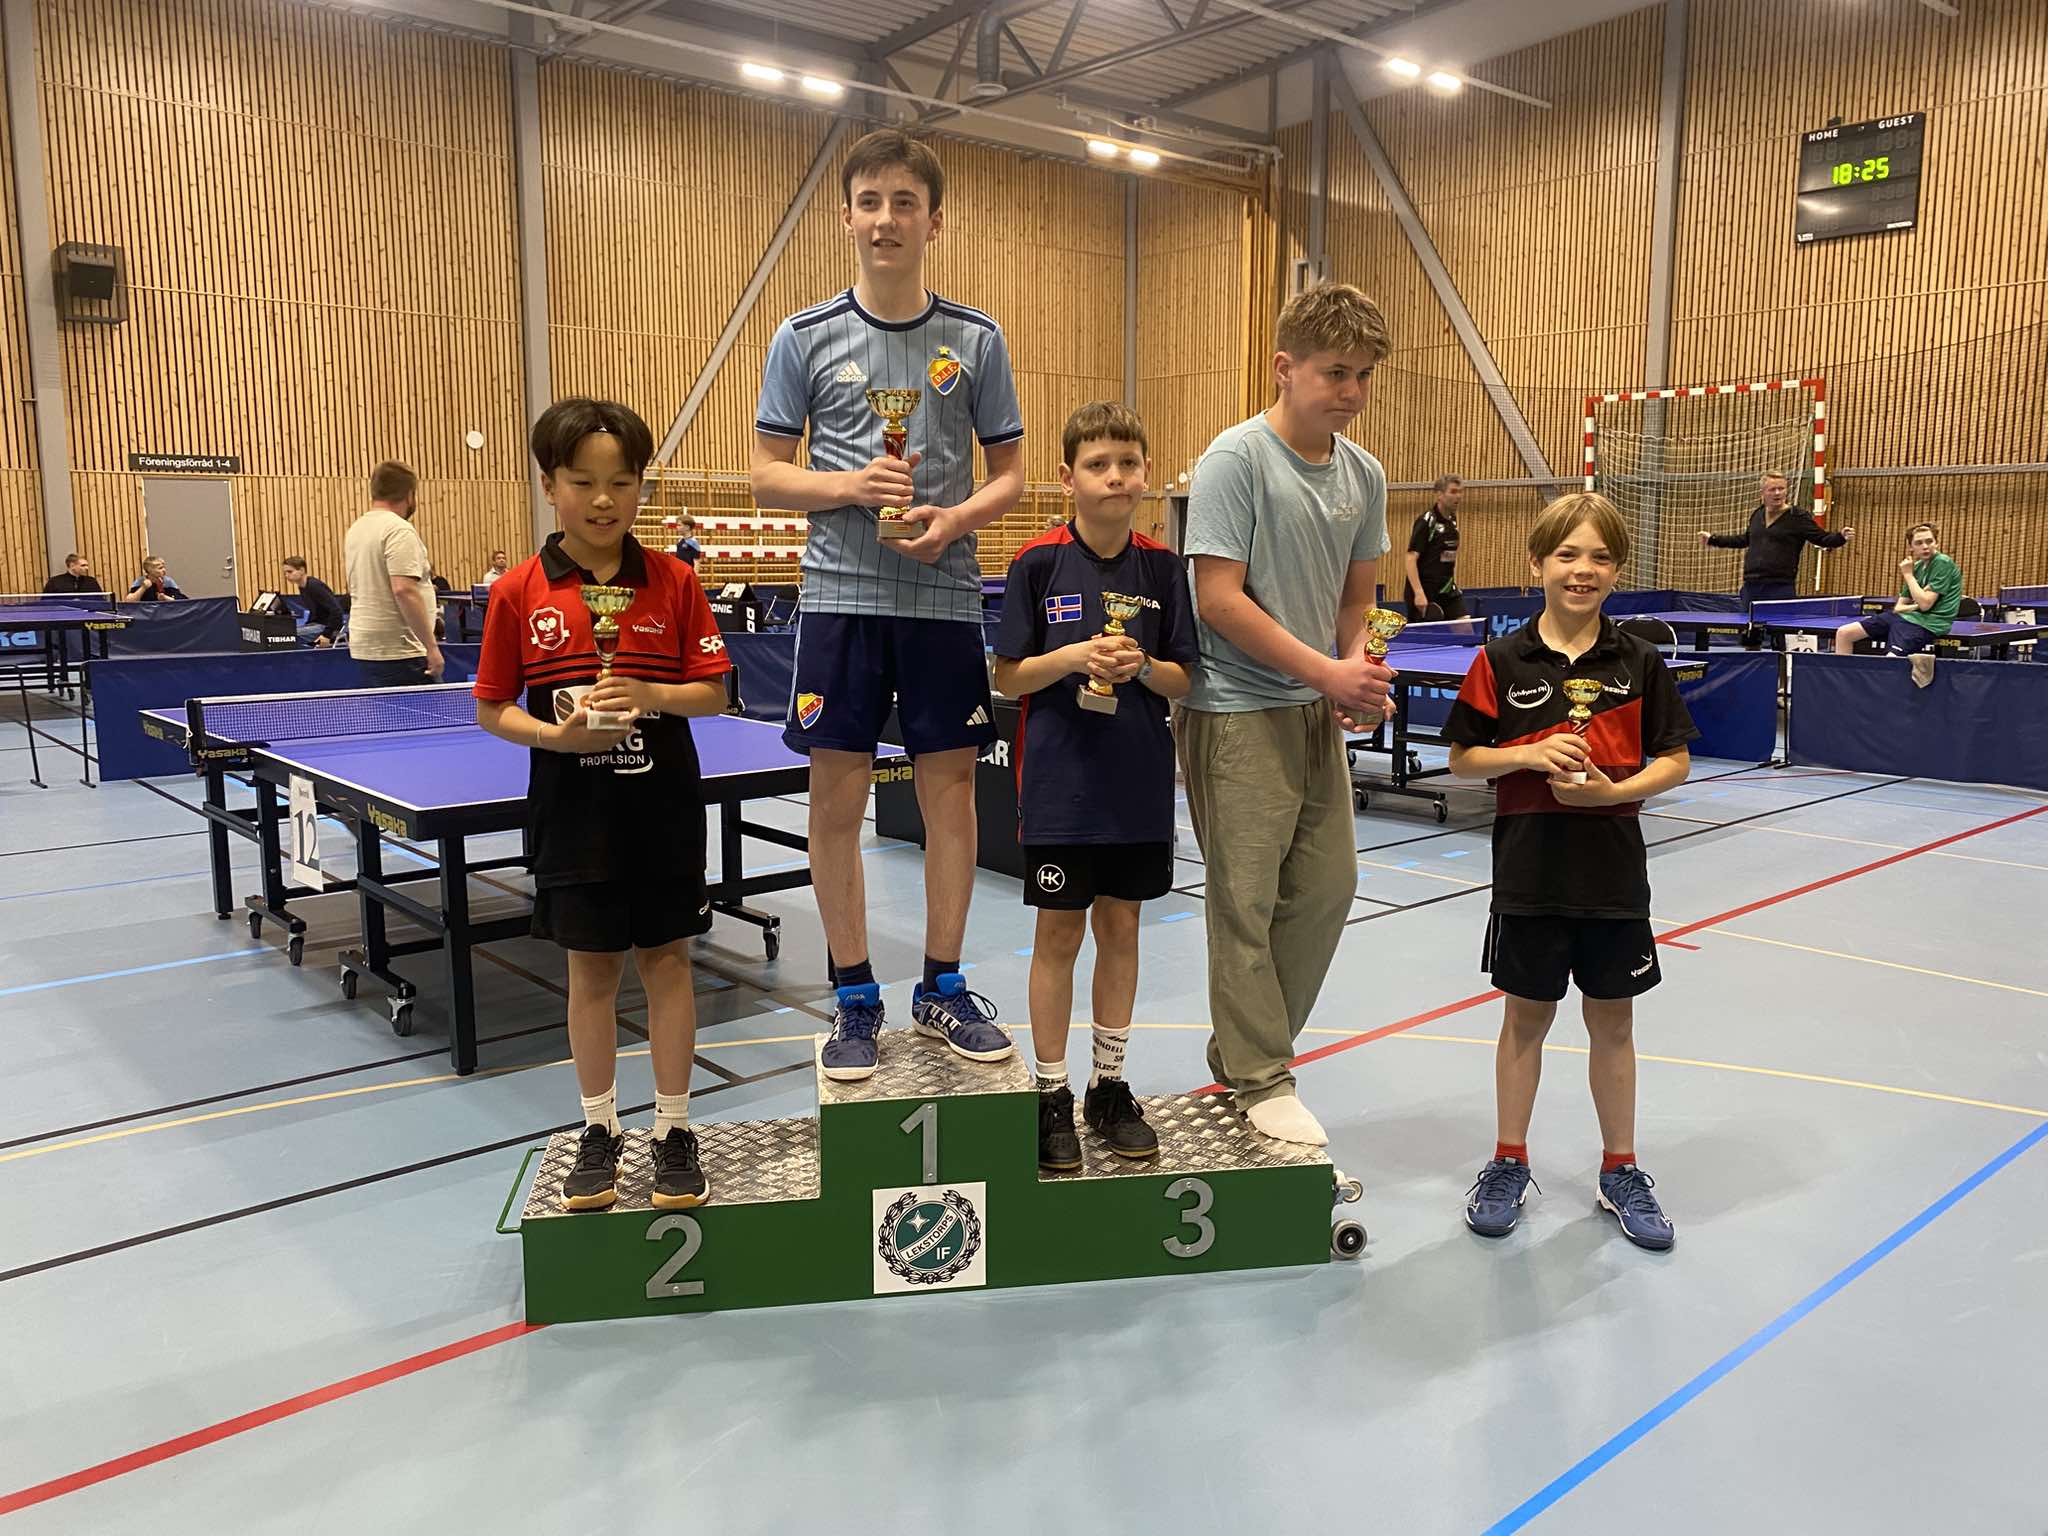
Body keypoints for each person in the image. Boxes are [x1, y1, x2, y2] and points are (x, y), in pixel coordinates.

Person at [750, 127, 1026, 1081]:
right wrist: (849, 487)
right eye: (870, 201)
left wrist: (953, 522)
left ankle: (943, 986)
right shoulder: (802, 337)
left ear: (933, 221)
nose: (886, 219)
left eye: (905, 203)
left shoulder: (977, 340)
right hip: (841, 600)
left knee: (951, 798)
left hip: (944, 600)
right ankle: (855, 996)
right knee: (838, 801)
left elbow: (1012, 475)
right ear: (846, 216)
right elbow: (765, 475)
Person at [474, 397, 732, 1212]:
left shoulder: (675, 581)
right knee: (590, 973)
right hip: (572, 815)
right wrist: (555, 739)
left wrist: (650, 691)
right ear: (549, 485)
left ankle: (674, 1129)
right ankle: (598, 1129)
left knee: (669, 964)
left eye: (621, 482)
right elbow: (492, 707)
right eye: (582, 481)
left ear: (641, 487)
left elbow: (715, 693)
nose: (602, 499)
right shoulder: (518, 591)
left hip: (663, 812)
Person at [1443, 491, 1697, 1252]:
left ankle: (1620, 1169)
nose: (1582, 569)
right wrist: (1527, 752)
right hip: (1528, 871)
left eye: (1599, 557)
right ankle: (1508, 1161)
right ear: (1537, 564)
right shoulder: (1500, 660)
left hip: (1613, 873)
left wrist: (1615, 793)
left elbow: (1676, 760)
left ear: (1616, 572)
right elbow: (1461, 760)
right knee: (1525, 1018)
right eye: (1567, 554)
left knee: (1613, 1022)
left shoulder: (1639, 661)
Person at [1176, 281, 1395, 1147]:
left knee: (1330, 887)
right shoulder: (1235, 460)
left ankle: (1241, 1052)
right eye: (1336, 372)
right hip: (1236, 711)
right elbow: (1218, 600)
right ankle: (1262, 1074)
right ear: (1284, 367)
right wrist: (1325, 673)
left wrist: (1359, 670)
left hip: (1315, 707)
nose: (1352, 391)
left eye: (1364, 376)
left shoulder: (1364, 474)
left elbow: (1359, 601)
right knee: (1244, 902)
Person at [991, 401, 1197, 1171]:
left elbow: (1183, 677)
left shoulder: (1163, 568)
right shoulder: (1037, 563)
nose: (1116, 477)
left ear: (1146, 473)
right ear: (1067, 477)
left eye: (1128, 463)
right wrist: (1075, 657)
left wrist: (1141, 665)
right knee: (1059, 936)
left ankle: (1108, 1087)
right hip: (1060, 787)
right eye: (1098, 464)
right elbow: (1009, 676)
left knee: (1122, 930)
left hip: (1137, 786)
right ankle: (1051, 1095)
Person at [342, 462, 442, 687]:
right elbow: (404, 590)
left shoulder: (357, 529)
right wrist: (431, 646)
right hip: (402, 650)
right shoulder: (399, 529)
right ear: (410, 495)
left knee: (386, 709)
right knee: (425, 710)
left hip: (366, 646)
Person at [1697, 472, 1853, 604]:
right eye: (1772, 489)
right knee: (1748, 630)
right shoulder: (1758, 514)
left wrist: (1841, 536)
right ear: (1763, 493)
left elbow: (1821, 538)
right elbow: (1745, 539)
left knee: (1778, 630)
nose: (1777, 493)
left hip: (1780, 588)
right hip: (1751, 587)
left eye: (1781, 489)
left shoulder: (1798, 517)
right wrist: (1713, 539)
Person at [1831, 522, 1960, 657]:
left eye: (1929, 541)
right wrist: (1916, 605)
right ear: (1911, 547)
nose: (1925, 546)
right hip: (1904, 617)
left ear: (1936, 543)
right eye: (1919, 543)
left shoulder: (1942, 562)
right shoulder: (1916, 566)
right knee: (1844, 633)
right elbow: (1899, 607)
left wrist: (1908, 575)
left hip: (1929, 623)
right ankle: (1841, 672)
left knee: (1891, 658)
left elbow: (1925, 605)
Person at [1405, 474, 1466, 620]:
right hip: (1425, 591)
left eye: (1460, 492)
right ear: (1439, 494)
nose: (1458, 496)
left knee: (1465, 628)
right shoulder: (1427, 521)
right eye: (1453, 492)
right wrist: (1419, 593)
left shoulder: (1452, 520)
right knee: (1425, 634)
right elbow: (1410, 558)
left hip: (1447, 589)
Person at [281, 555, 344, 645]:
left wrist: (327, 635)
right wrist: (307, 626)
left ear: (302, 570)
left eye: (290, 572)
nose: (286, 575)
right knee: (286, 632)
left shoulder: (314, 586)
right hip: (317, 625)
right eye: (285, 573)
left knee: (288, 636)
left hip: (326, 627)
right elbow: (315, 611)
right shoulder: (303, 587)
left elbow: (337, 611)